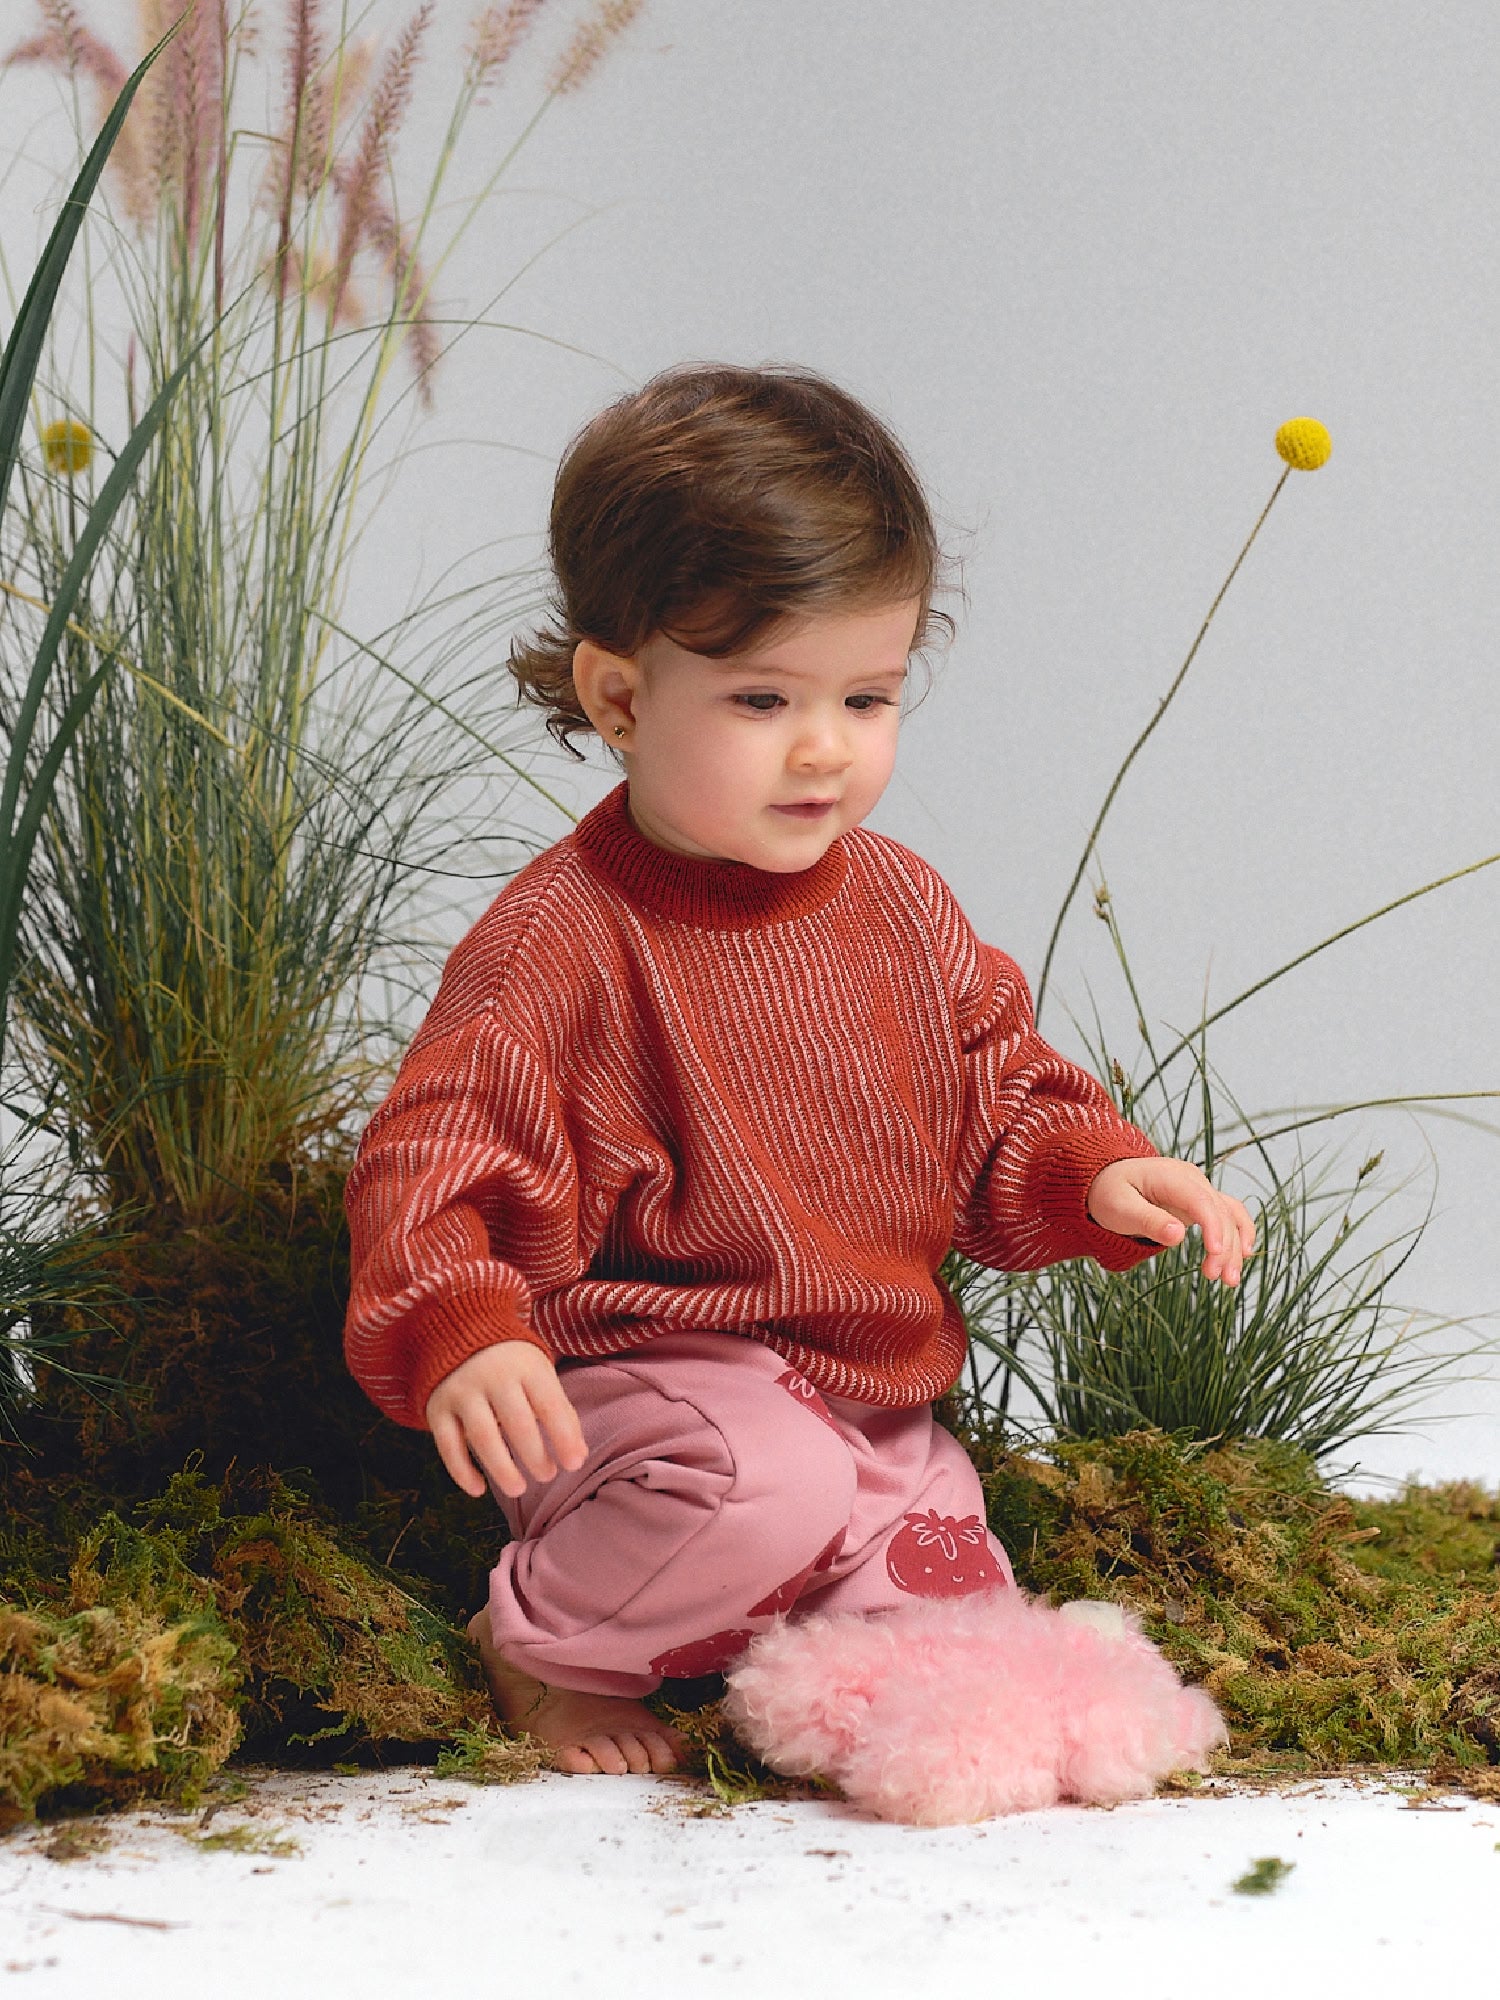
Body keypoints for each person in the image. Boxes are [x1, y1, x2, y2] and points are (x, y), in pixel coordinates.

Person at [342, 362, 1255, 1787]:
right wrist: (469, 1324)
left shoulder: (895, 904)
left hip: (872, 1400)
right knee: (767, 1485)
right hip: (643, 1396)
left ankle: (801, 1661)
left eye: (870, 696)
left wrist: (1096, 1171)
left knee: (949, 1611)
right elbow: (439, 1154)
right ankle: (548, 1644)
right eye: (764, 697)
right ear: (622, 694)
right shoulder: (564, 940)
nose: (825, 748)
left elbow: (992, 1086)